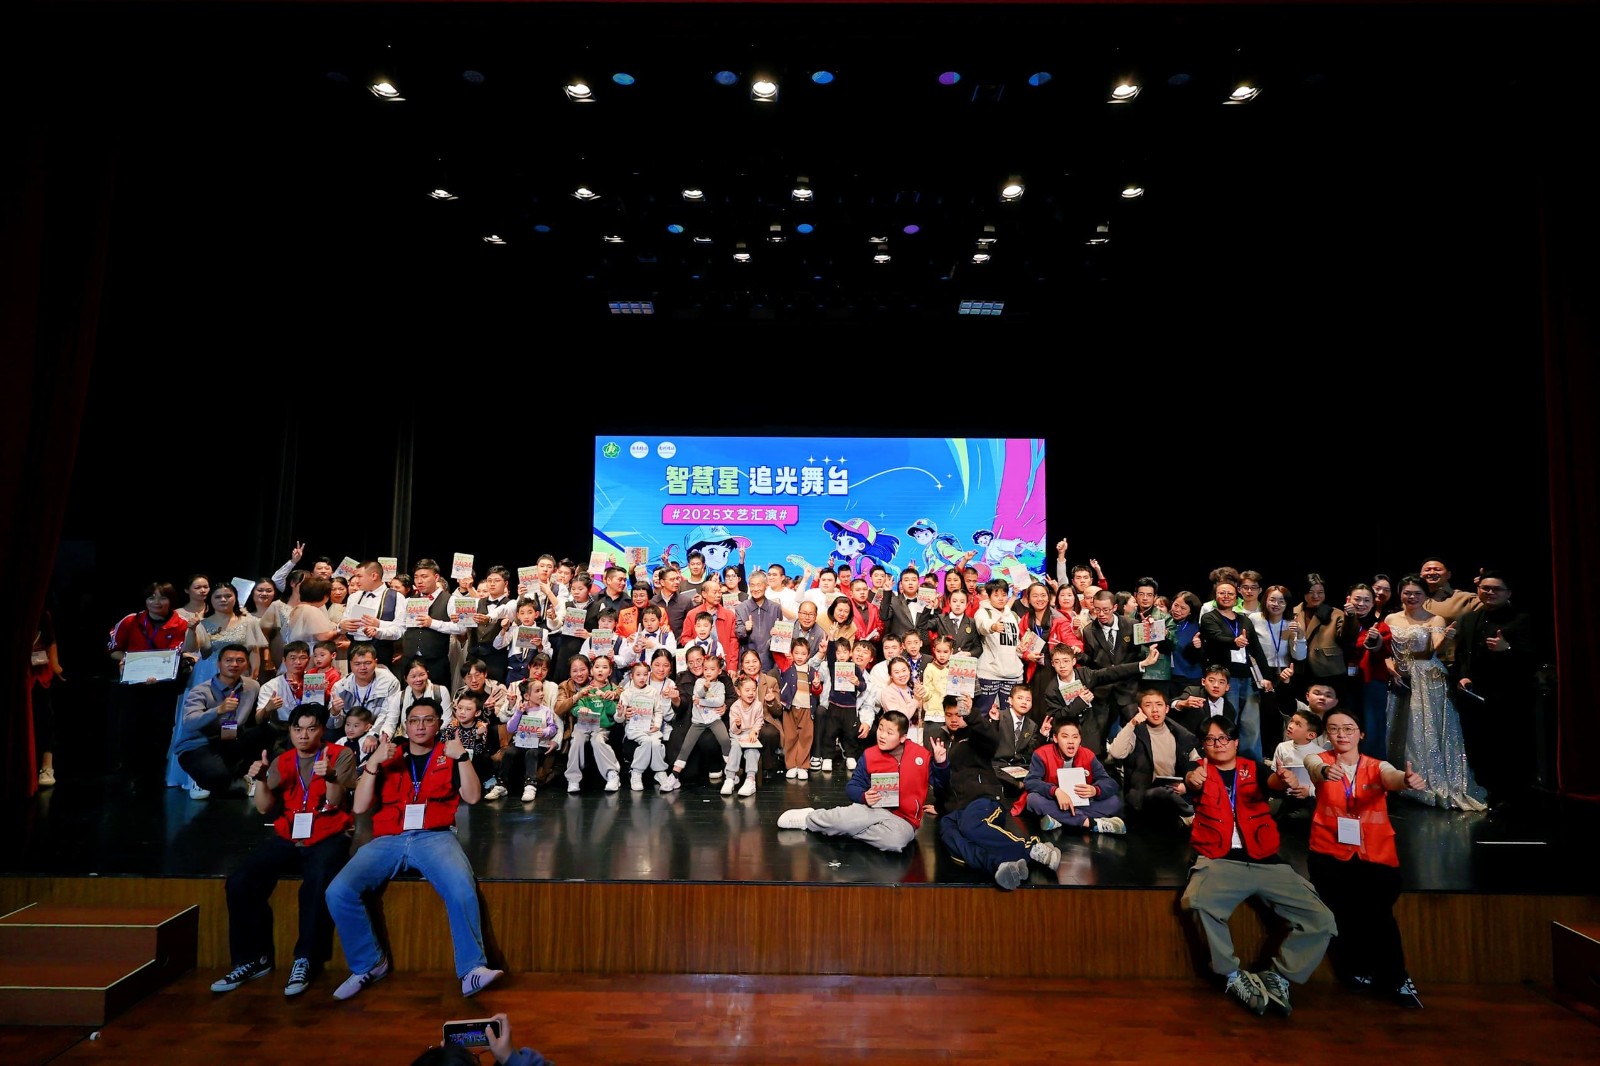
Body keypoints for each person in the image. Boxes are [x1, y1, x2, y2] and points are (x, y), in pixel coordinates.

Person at [325, 696, 504, 1000]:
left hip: (435, 836)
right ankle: (369, 964)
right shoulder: (388, 755)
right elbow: (360, 806)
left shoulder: (449, 754)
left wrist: (463, 758)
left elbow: (473, 797)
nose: (420, 726)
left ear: (439, 725)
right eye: (414, 721)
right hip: (389, 838)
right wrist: (373, 764)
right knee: (338, 891)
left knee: (461, 888)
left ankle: (472, 970)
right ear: (405, 726)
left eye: (428, 720)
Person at [1179, 715, 1336, 1018]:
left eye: (1224, 738)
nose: (1218, 744)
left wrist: (1285, 780)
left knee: (1322, 919)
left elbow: (1272, 782)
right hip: (1219, 859)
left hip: (1266, 861)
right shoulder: (1198, 770)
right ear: (1204, 745)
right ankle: (1232, 977)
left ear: (1236, 742)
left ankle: (1280, 977)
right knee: (1197, 903)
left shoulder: (1252, 768)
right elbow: (1190, 780)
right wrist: (1191, 779)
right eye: (1210, 739)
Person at [210, 704, 356, 998]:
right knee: (240, 881)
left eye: (311, 729)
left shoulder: (340, 755)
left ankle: (306, 959)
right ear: (290, 731)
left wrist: (330, 777)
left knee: (316, 883)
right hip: (290, 833)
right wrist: (261, 779)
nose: (304, 735)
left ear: (322, 730)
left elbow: (336, 801)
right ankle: (252, 959)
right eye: (297, 729)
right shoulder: (283, 760)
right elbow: (264, 807)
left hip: (328, 832)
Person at [1303, 708, 1429, 1008]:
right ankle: (1354, 969)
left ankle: (1396, 977)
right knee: (1341, 914)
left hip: (1375, 855)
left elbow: (1391, 777)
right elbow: (1314, 768)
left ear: (1361, 734)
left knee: (1379, 915)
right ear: (1327, 734)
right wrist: (1326, 772)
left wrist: (1406, 780)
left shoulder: (1376, 765)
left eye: (1348, 728)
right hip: (1329, 853)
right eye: (1334, 729)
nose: (1341, 734)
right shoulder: (1318, 759)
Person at [934, 696, 1061, 890]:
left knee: (970, 825)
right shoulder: (940, 741)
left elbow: (992, 739)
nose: (953, 719)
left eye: (958, 714)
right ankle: (999, 866)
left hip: (981, 799)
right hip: (954, 809)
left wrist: (972, 715)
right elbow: (940, 783)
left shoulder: (975, 735)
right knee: (950, 838)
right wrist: (940, 766)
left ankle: (1032, 849)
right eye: (949, 715)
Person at [1383, 575, 1487, 810]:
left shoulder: (1435, 618)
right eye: (1407, 593)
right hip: (1399, 677)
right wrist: (1389, 667)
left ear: (1425, 595)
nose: (1412, 597)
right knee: (1399, 726)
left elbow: (1434, 649)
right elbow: (1386, 649)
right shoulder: (1391, 618)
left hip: (1427, 677)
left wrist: (1445, 639)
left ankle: (1428, 781)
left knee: (1424, 728)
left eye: (1417, 593)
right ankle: (1398, 778)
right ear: (1400, 594)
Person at [778, 709, 946, 851]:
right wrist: (864, 796)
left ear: (903, 737)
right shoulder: (870, 755)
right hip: (871, 810)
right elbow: (853, 786)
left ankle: (841, 827)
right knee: (848, 818)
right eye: (880, 729)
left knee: (895, 841)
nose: (882, 735)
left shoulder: (921, 755)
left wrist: (940, 764)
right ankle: (809, 818)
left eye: (889, 733)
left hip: (904, 820)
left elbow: (941, 786)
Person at [1449, 569, 1536, 804]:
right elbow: (1462, 654)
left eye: (1496, 589)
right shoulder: (1469, 618)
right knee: (1479, 747)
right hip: (1474, 696)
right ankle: (1486, 793)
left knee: (1507, 748)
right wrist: (1463, 677)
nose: (1490, 592)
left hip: (1508, 696)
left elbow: (1533, 657)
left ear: (1508, 593)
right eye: (1485, 588)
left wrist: (1507, 649)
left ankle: (1511, 797)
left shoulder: (1521, 619)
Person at [108, 581, 189, 777]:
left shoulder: (182, 624)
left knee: (161, 729)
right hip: (134, 685)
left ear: (171, 600)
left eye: (163, 597)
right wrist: (128, 660)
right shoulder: (130, 621)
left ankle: (155, 772)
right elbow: (114, 650)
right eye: (151, 597)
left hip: (165, 687)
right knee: (130, 728)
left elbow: (184, 652)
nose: (156, 602)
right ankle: (129, 771)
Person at [172, 644, 261, 799]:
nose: (234, 664)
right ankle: (202, 780)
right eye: (229, 660)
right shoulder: (200, 691)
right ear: (219, 663)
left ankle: (239, 776)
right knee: (216, 777)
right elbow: (190, 723)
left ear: (247, 664)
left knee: (267, 732)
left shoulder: (252, 687)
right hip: (198, 745)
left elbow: (253, 722)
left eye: (240, 661)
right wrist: (218, 710)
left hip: (229, 740)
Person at [1105, 688, 1200, 828]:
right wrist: (1132, 724)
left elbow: (1196, 761)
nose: (1155, 710)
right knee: (1161, 792)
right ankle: (1189, 815)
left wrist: (1186, 786)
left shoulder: (1179, 733)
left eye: (1159, 705)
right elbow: (1116, 753)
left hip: (1174, 793)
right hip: (1142, 796)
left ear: (1167, 709)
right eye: (1148, 705)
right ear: (1140, 710)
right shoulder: (1135, 732)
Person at [1012, 718, 1125, 834]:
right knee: (1033, 800)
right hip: (1055, 802)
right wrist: (1055, 791)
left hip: (1081, 803)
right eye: (1065, 737)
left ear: (1080, 739)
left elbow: (1110, 782)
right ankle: (1090, 823)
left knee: (1114, 801)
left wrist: (1095, 790)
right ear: (1055, 738)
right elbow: (1031, 782)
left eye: (1075, 737)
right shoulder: (1042, 754)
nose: (1071, 741)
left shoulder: (1088, 755)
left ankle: (1060, 819)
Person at [30, 609, 64, 788]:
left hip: (39, 673)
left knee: (44, 717)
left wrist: (55, 664)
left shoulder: (42, 614)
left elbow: (51, 642)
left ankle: (47, 766)